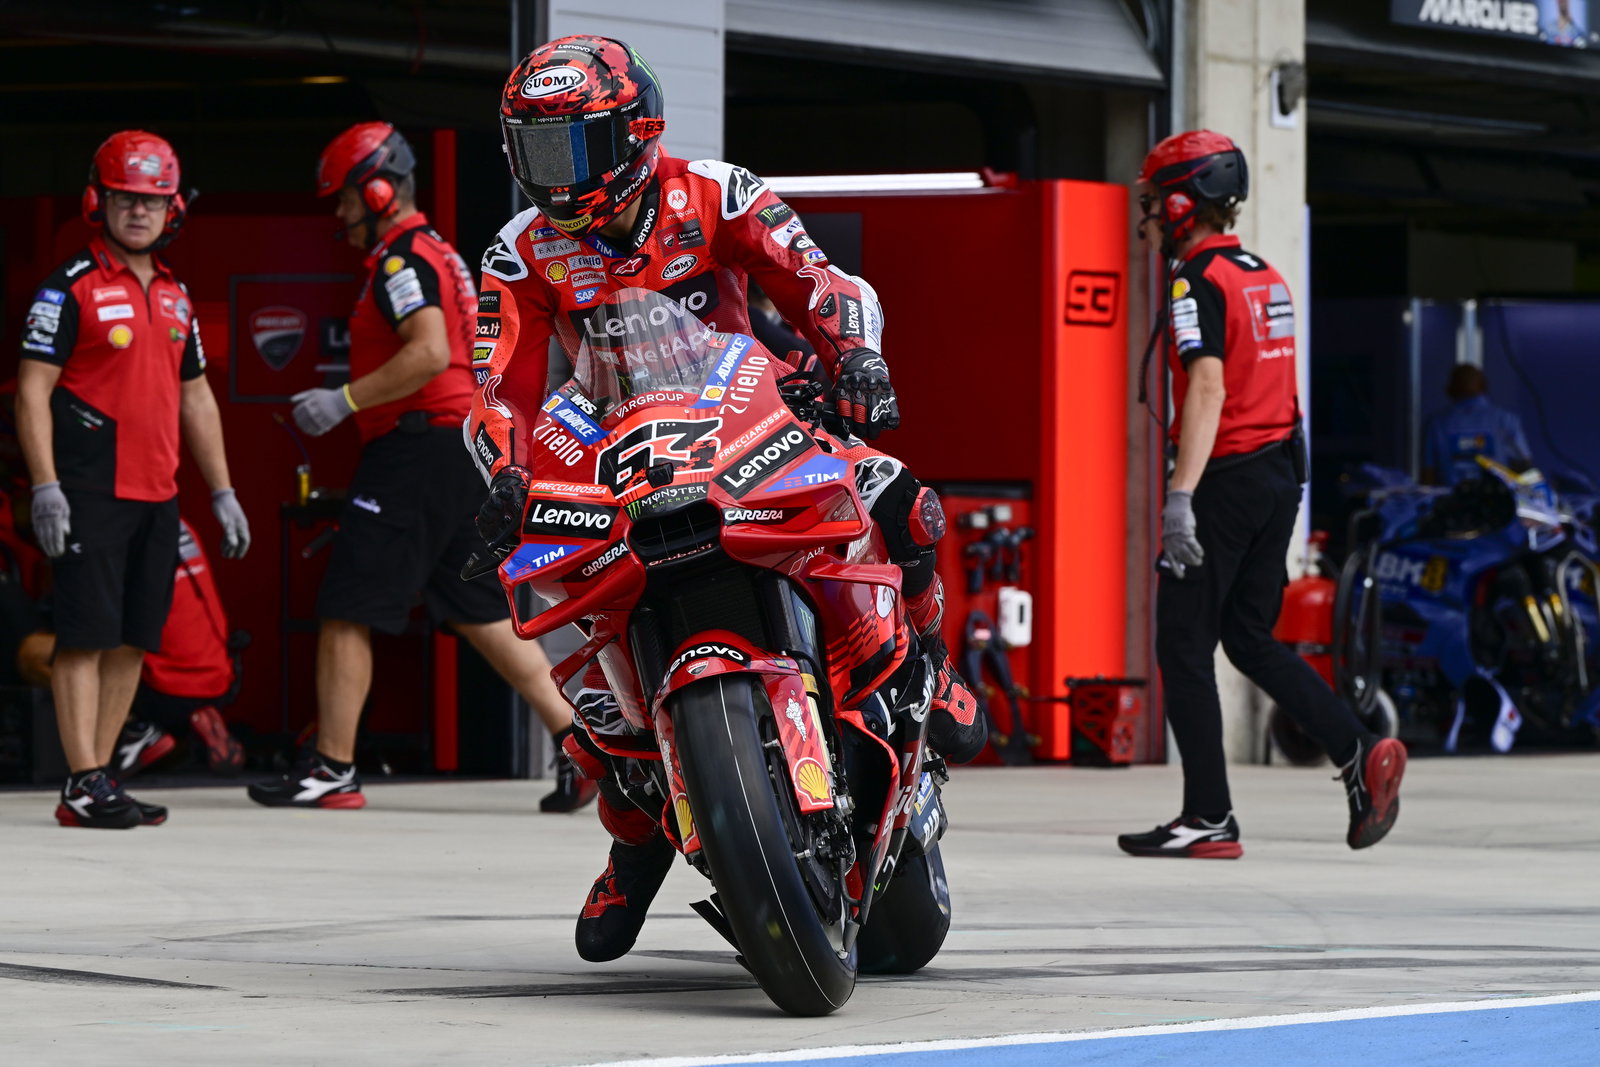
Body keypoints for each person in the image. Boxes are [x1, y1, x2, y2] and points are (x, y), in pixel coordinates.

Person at [467, 35, 985, 964]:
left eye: (574, 150)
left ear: (637, 131)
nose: (556, 176)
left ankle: (929, 661)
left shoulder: (719, 190)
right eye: (537, 152)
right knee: (548, 596)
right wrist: (505, 472)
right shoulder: (518, 251)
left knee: (903, 499)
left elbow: (819, 280)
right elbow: (496, 390)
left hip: (755, 411)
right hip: (611, 449)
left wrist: (853, 358)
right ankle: (633, 838)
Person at [246, 122, 593, 814]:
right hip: (452, 451)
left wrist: (340, 400)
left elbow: (430, 353)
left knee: (347, 605)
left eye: (345, 199)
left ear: (377, 191)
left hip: (415, 450)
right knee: (484, 618)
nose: (340, 214)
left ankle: (332, 768)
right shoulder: (432, 253)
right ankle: (585, 748)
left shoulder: (404, 262)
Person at [1119, 130, 1406, 859]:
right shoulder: (1264, 274)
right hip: (1280, 477)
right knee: (1247, 637)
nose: (1146, 217)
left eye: (1153, 202)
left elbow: (1210, 386)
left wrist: (1180, 496)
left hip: (1225, 481)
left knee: (1182, 643)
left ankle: (1208, 816)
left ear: (1184, 202)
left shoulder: (1196, 282)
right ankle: (1358, 749)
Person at [17, 130, 251, 829]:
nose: (139, 213)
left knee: (131, 641)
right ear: (99, 200)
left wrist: (222, 490)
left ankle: (101, 778)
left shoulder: (178, 295)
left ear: (173, 207)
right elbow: (33, 391)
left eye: (152, 201)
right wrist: (45, 485)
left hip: (158, 496)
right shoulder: (67, 289)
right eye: (125, 198)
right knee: (84, 638)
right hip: (88, 491)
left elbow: (198, 397)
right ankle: (82, 779)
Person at [1421, 364, 1533, 487]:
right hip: (1498, 502)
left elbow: (1428, 477)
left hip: (1452, 503)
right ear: (1484, 385)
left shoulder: (1436, 424)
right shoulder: (1506, 421)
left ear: (1449, 389)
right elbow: (1525, 466)